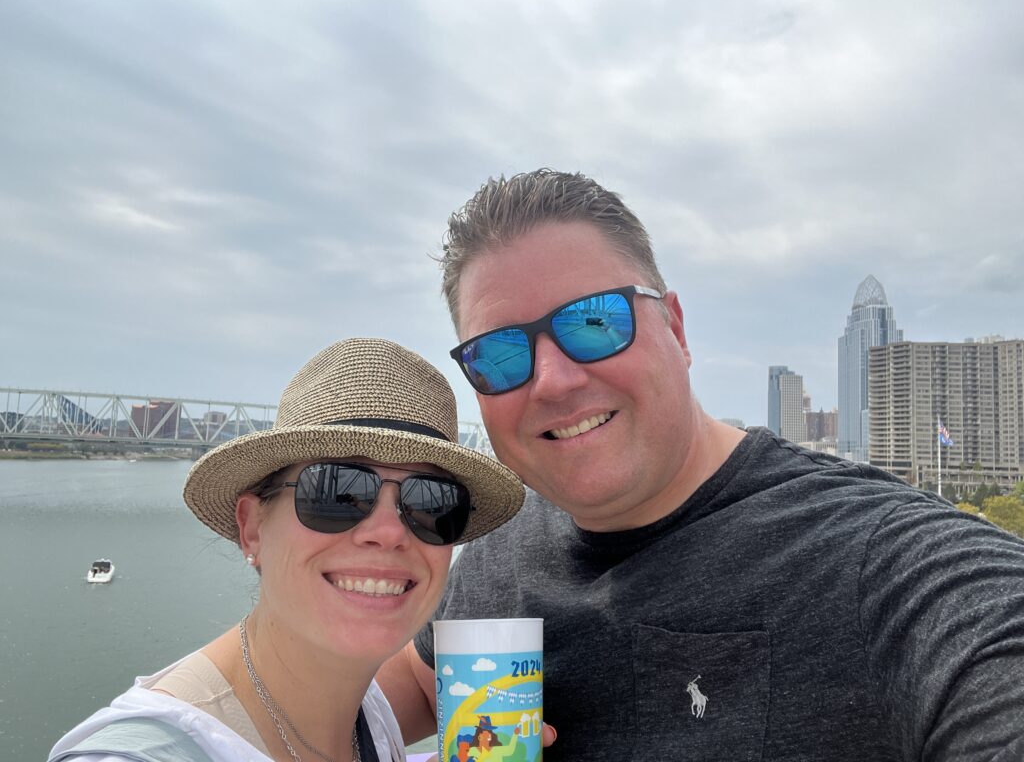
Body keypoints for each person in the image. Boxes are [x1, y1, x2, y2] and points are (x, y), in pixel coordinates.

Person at [376, 169, 1024, 760]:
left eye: (595, 322)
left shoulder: (883, 564)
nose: (550, 380)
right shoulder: (498, 555)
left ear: (678, 330)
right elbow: (407, 680)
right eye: (499, 354)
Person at [49, 338, 524, 762]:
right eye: (337, 492)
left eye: (431, 502)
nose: (388, 531)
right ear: (252, 527)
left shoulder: (368, 716)